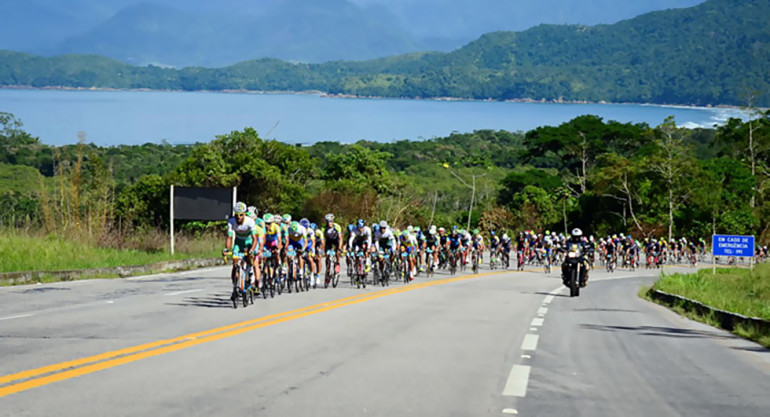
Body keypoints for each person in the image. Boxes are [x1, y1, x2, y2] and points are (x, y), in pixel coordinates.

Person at [223, 202, 259, 293]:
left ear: (244, 214)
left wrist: (252, 250)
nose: (238, 217)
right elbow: (229, 237)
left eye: (241, 215)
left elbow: (255, 239)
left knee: (249, 258)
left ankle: (250, 272)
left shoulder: (250, 222)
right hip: (238, 243)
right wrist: (226, 249)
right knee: (235, 263)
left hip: (249, 242)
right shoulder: (231, 222)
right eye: (237, 214)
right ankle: (235, 286)